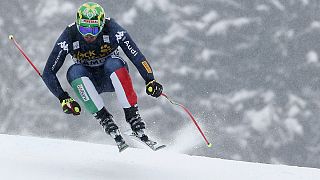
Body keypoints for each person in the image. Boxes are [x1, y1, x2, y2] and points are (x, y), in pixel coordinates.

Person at [42, 2, 163, 151]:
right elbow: (48, 72)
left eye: (94, 29)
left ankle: (133, 116)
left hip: (112, 76)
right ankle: (104, 119)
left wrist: (150, 79)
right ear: (78, 24)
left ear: (102, 24)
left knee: (113, 64)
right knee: (74, 71)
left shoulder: (113, 29)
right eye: (84, 28)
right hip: (90, 81)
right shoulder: (70, 34)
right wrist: (63, 98)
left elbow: (137, 56)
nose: (89, 35)